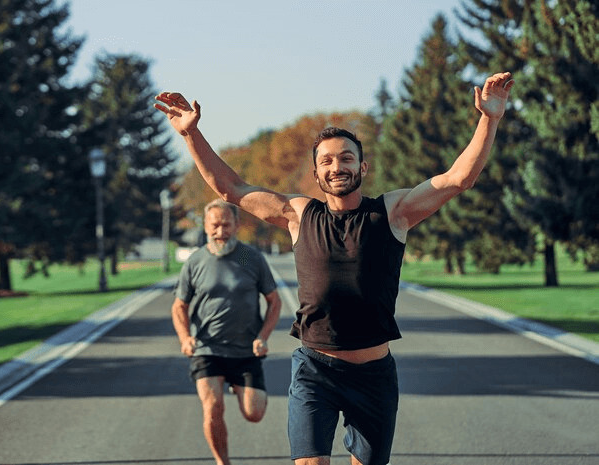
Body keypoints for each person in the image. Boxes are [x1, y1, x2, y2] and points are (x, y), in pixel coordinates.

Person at [156, 72, 514, 465]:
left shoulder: (391, 213)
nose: (336, 166)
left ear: (362, 167)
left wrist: (489, 119)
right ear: (316, 174)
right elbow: (232, 190)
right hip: (315, 370)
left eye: (346, 158)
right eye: (325, 161)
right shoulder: (298, 214)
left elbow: (457, 179)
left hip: (374, 374)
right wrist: (191, 135)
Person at [171, 199, 282, 465]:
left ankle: (236, 385)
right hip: (207, 349)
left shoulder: (247, 257)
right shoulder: (196, 261)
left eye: (226, 225)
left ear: (236, 225)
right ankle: (223, 462)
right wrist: (185, 338)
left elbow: (274, 301)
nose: (220, 232)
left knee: (254, 413)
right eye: (215, 225)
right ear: (206, 226)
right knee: (212, 407)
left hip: (245, 349)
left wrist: (263, 337)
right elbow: (179, 306)